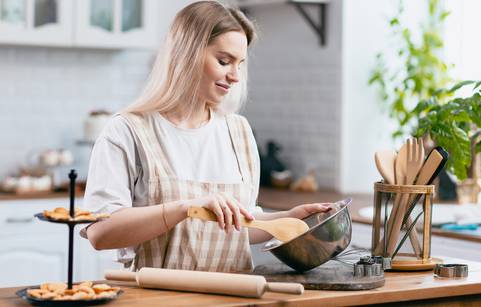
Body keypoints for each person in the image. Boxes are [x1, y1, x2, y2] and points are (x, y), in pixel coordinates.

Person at [82, 0, 330, 273]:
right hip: (155, 298)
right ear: (185, 54)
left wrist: (286, 219)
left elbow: (237, 229)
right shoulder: (127, 131)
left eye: (240, 64)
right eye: (224, 61)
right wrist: (185, 208)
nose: (235, 76)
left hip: (232, 297)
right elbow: (100, 232)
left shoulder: (239, 132)